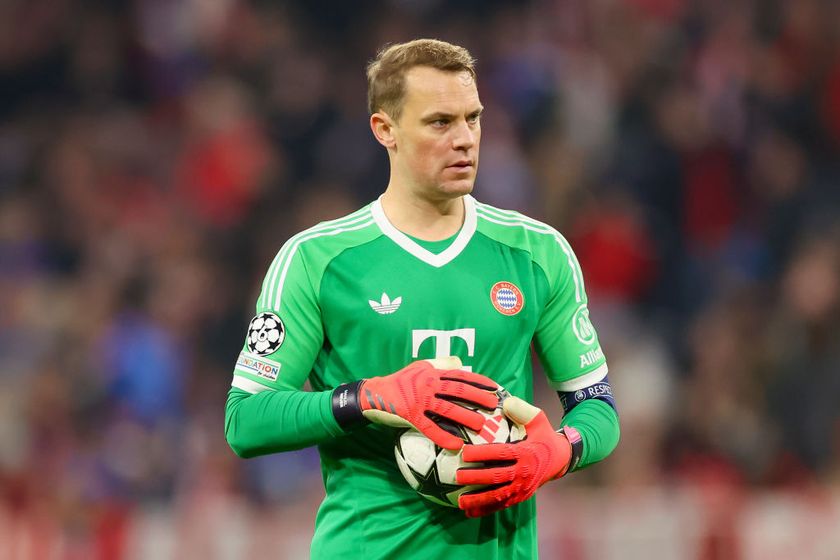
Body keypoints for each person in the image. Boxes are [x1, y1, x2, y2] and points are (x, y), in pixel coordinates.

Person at [225, 38, 620, 559]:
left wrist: (556, 453)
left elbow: (597, 410)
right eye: (440, 122)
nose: (465, 140)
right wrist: (365, 398)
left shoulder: (537, 253)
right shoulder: (316, 261)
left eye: (473, 119)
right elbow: (245, 420)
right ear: (385, 129)